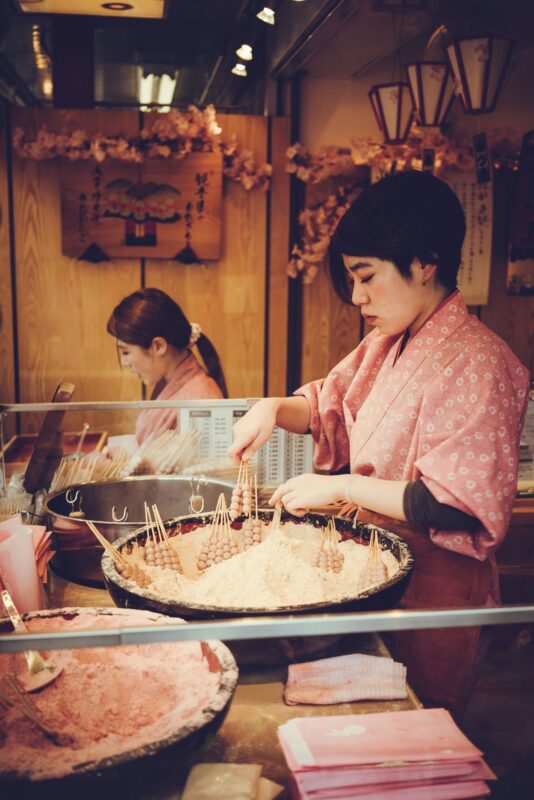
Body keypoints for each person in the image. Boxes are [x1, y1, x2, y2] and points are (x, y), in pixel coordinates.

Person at [228, 170, 530, 717]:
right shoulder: (385, 341)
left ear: (425, 262)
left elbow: (453, 503)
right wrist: (271, 407)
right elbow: (327, 409)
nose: (356, 295)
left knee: (416, 725)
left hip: (436, 585)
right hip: (377, 568)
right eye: (350, 278)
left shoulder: (478, 358)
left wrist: (342, 485)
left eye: (366, 276)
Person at [107, 287, 227, 445]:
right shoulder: (168, 381)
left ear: (158, 346)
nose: (124, 362)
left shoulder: (201, 401)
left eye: (126, 352)